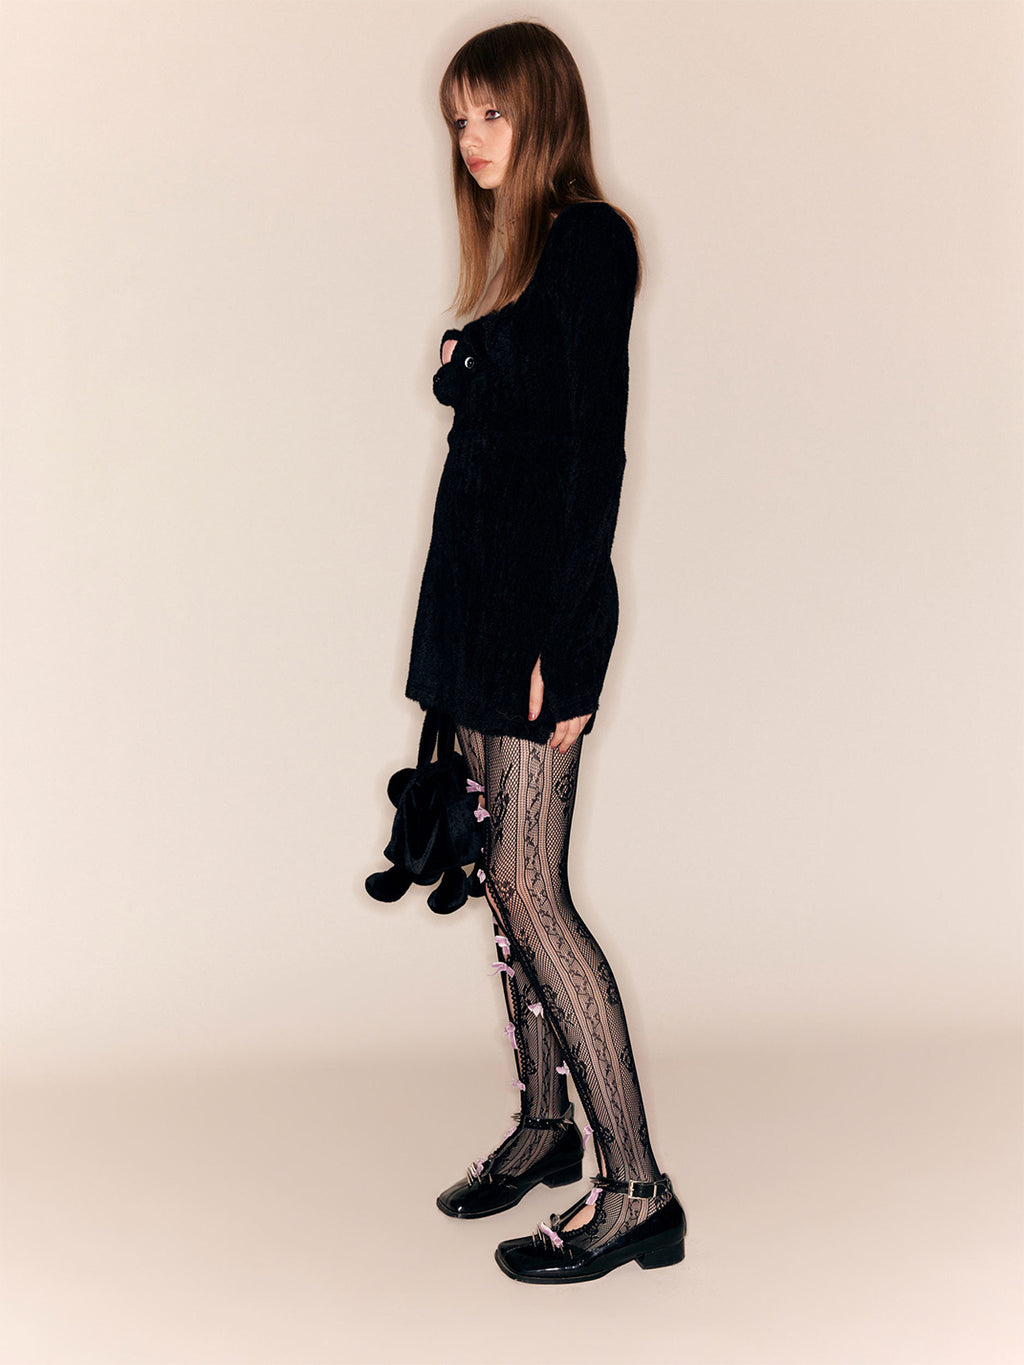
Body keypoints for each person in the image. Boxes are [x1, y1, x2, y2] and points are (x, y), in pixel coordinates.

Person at [403, 20, 685, 1284]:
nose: (471, 141)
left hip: (528, 620)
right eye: (458, 120)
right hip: (469, 610)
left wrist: (568, 649)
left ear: (544, 115)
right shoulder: (516, 256)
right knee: (496, 884)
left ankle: (637, 1192)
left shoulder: (586, 240)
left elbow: (591, 458)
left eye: (493, 114)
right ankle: (542, 1125)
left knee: (531, 889)